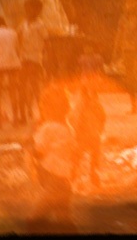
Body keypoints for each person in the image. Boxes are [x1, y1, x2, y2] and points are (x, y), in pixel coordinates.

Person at [26, 83, 78, 233]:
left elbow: (38, 151)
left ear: (46, 108)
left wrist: (29, 142)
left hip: (53, 185)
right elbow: (73, 155)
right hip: (64, 184)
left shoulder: (48, 128)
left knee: (33, 220)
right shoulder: (68, 128)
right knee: (65, 222)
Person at [69, 81, 106, 188]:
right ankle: (94, 176)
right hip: (95, 135)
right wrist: (100, 129)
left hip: (83, 136)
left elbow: (73, 120)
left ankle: (73, 175)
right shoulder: (97, 105)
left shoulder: (80, 106)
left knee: (77, 157)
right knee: (94, 158)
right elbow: (103, 118)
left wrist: (75, 133)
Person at [0, 15, 24, 126]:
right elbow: (18, 48)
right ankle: (16, 119)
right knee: (13, 92)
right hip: (14, 65)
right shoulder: (13, 33)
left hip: (0, 66)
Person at [19, 0, 49, 121]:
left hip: (36, 58)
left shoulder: (40, 25)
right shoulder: (23, 24)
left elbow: (47, 41)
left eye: (31, 9)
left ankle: (42, 113)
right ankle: (25, 114)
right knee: (23, 86)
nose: (28, 11)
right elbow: (18, 37)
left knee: (35, 86)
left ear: (38, 11)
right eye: (26, 9)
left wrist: (46, 56)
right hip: (24, 58)